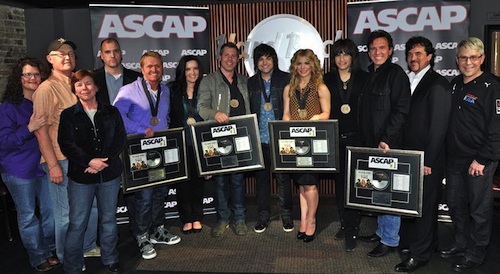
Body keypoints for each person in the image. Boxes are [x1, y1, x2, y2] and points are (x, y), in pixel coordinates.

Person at [32, 38, 99, 264]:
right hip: (61, 161)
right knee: (66, 216)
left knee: (90, 208)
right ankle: (69, 259)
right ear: (50, 59)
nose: (67, 57)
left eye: (70, 53)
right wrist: (52, 165)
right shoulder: (45, 88)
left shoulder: (77, 83)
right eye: (60, 54)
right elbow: (41, 131)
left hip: (84, 160)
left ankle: (88, 247)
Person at [440, 37, 500, 272]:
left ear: (482, 58)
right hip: (455, 158)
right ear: (457, 60)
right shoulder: (455, 84)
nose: (468, 62)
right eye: (463, 57)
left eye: (473, 57)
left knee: (479, 209)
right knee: (455, 204)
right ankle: (461, 243)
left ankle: (476, 252)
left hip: (479, 161)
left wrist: (483, 159)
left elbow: (497, 129)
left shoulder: (493, 87)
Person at [113, 51, 180, 260]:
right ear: (142, 70)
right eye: (149, 66)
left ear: (162, 69)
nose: (154, 70)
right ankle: (141, 235)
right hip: (138, 152)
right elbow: (116, 117)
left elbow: (165, 116)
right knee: (145, 196)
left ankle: (158, 230)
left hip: (160, 149)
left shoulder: (166, 91)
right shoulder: (127, 90)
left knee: (161, 192)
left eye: (158, 66)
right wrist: (141, 128)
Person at [58, 70, 126, 274]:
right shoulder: (68, 115)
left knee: (108, 219)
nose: (84, 88)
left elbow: (119, 140)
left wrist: (103, 161)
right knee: (77, 222)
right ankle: (72, 266)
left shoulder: (112, 112)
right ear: (74, 89)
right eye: (79, 85)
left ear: (96, 87)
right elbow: (67, 144)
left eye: (88, 83)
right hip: (81, 177)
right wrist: (89, 161)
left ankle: (110, 258)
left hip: (109, 174)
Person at [394, 36, 452, 272]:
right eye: (409, 53)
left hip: (428, 159)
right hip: (409, 155)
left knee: (426, 206)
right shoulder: (408, 79)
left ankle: (420, 255)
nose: (413, 58)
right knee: (412, 204)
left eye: (418, 53)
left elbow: (439, 126)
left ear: (430, 57)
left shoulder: (438, 84)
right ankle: (424, 244)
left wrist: (428, 160)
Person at [0, 57, 58, 272]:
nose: (33, 78)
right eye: (28, 74)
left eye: (36, 74)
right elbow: (3, 142)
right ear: (19, 78)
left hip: (43, 165)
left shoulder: (44, 101)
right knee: (27, 216)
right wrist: (29, 127)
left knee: (50, 212)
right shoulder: (8, 107)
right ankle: (38, 256)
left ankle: (50, 249)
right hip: (18, 169)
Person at [357, 30, 411, 257]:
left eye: (382, 48)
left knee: (388, 192)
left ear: (390, 51)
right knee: (378, 189)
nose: (377, 52)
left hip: (387, 145)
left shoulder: (396, 74)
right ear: (368, 52)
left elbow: (401, 110)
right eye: (373, 48)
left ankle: (390, 240)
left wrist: (386, 139)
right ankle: (381, 232)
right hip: (371, 144)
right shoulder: (370, 74)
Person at [197, 42, 251, 237]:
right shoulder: (208, 81)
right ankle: (222, 219)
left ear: (238, 59)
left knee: (238, 180)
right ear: (219, 58)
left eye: (233, 56)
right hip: (218, 138)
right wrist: (215, 113)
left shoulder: (245, 81)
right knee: (220, 181)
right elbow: (201, 108)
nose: (230, 59)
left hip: (240, 137)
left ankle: (240, 218)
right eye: (226, 55)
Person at [323, 39, 368, 251]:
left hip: (357, 139)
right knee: (340, 185)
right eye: (338, 54)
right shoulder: (326, 79)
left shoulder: (365, 78)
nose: (342, 58)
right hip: (334, 139)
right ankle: (344, 223)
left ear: (353, 57)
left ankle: (353, 228)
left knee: (355, 185)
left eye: (346, 54)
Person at [94, 38, 142, 234]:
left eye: (115, 51)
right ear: (101, 55)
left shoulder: (136, 78)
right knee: (107, 194)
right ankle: (107, 238)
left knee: (136, 191)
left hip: (131, 140)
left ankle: (139, 232)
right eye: (107, 52)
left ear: (122, 53)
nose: (112, 55)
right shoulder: (92, 79)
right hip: (104, 144)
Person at [282, 49, 331, 243]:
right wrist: (285, 125)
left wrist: (316, 117)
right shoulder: (289, 88)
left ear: (313, 65)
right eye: (299, 63)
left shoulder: (320, 87)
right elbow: (286, 113)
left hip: (313, 141)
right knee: (301, 184)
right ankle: (303, 220)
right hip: (295, 142)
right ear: (294, 66)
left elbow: (327, 112)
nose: (303, 67)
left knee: (310, 184)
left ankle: (311, 221)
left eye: (307, 63)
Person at [247, 44, 294, 234]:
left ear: (274, 59)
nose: (264, 62)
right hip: (259, 139)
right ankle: (263, 216)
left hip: (281, 138)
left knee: (284, 179)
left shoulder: (286, 79)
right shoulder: (250, 83)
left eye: (268, 58)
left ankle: (286, 215)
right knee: (262, 180)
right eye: (260, 59)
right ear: (256, 62)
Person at [168, 55, 205, 234]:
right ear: (183, 71)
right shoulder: (172, 90)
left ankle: (197, 216)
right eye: (188, 69)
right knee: (183, 183)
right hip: (180, 143)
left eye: (195, 68)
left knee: (198, 182)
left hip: (200, 143)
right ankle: (186, 218)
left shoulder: (205, 89)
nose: (192, 72)